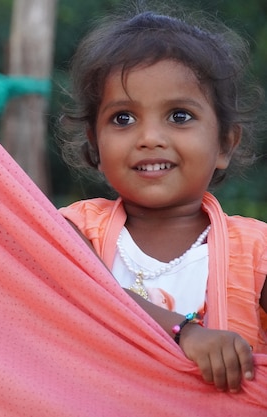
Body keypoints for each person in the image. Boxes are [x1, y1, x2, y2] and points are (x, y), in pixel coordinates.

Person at [58, 8, 267, 394]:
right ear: (96, 144)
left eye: (179, 115)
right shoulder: (73, 229)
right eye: (123, 118)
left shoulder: (257, 252)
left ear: (225, 144)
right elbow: (81, 293)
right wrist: (183, 332)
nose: (149, 137)